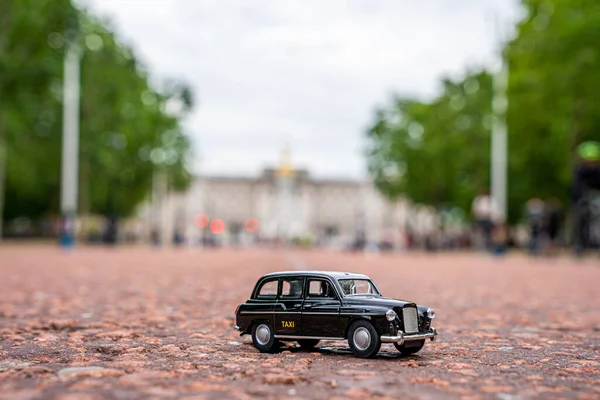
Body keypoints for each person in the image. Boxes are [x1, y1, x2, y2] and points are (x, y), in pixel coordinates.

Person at [571, 140, 600, 254]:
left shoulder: (597, 172)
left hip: (597, 197)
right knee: (580, 217)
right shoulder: (579, 172)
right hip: (584, 199)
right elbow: (576, 188)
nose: (590, 164)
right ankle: (579, 244)